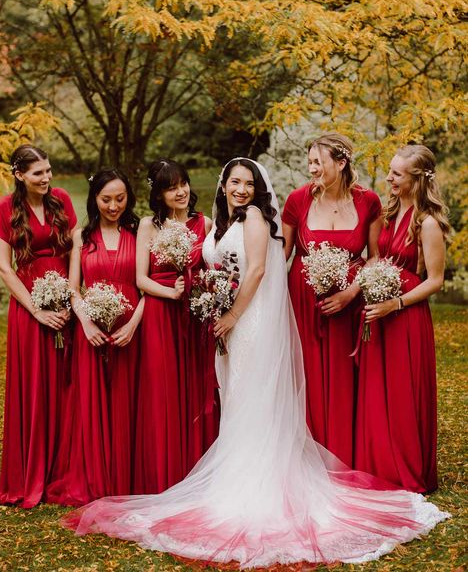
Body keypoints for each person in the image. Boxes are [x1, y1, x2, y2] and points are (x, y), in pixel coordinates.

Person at [62, 157, 448, 569]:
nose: (241, 189)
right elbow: (219, 268)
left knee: (251, 399)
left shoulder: (256, 220)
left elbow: (259, 270)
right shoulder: (221, 224)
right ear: (223, 185)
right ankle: (236, 477)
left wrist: (230, 314)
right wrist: (214, 303)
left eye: (248, 183)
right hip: (230, 323)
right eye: (234, 182)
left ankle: (254, 488)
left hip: (251, 323)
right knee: (235, 399)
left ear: (256, 189)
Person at [354, 145, 451, 493]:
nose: (389, 178)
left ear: (417, 178)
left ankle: (406, 469)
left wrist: (394, 304)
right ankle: (378, 463)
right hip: (380, 310)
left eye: (397, 173)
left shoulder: (428, 224)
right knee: (377, 392)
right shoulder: (390, 212)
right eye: (390, 171)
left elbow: (436, 280)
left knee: (402, 393)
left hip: (405, 316)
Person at [281, 133, 382, 466]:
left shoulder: (369, 202)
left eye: (318, 163)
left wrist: (351, 293)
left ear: (341, 163)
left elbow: (374, 257)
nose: (311, 169)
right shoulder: (297, 200)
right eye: (309, 162)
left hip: (347, 304)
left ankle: (342, 457)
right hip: (303, 301)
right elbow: (282, 253)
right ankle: (307, 459)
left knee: (342, 381)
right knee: (305, 377)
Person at [46, 169, 144, 505]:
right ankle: (96, 474)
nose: (114, 205)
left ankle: (128, 474)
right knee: (93, 402)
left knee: (127, 400)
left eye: (120, 198)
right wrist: (85, 322)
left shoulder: (139, 230)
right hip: (93, 329)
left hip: (131, 331)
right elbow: (74, 288)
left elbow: (147, 285)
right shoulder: (82, 236)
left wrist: (133, 325)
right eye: (106, 199)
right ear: (94, 199)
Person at [0, 144, 77, 508]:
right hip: (28, 307)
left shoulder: (61, 199)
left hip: (64, 301)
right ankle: (31, 469)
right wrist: (36, 310)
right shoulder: (5, 209)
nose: (46, 178)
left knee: (65, 381)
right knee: (34, 383)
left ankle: (64, 466)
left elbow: (75, 250)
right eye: (38, 172)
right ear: (19, 175)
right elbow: (4, 267)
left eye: (48, 170)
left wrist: (72, 297)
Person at [134, 159, 218, 494]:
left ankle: (199, 469)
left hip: (196, 312)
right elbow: (141, 278)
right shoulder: (148, 226)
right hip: (160, 313)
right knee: (165, 389)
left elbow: (213, 268)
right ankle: (166, 472)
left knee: (197, 387)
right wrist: (171, 291)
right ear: (158, 193)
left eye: (183, 183)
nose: (180, 191)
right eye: (171, 187)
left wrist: (203, 290)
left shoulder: (205, 223)